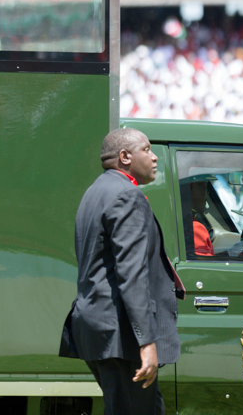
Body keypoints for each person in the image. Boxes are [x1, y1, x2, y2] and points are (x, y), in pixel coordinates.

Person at [61, 128, 182, 415]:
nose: (154, 158)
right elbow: (132, 276)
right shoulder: (127, 195)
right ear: (125, 157)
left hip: (99, 327)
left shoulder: (96, 190)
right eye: (147, 149)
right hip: (122, 336)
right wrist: (147, 343)